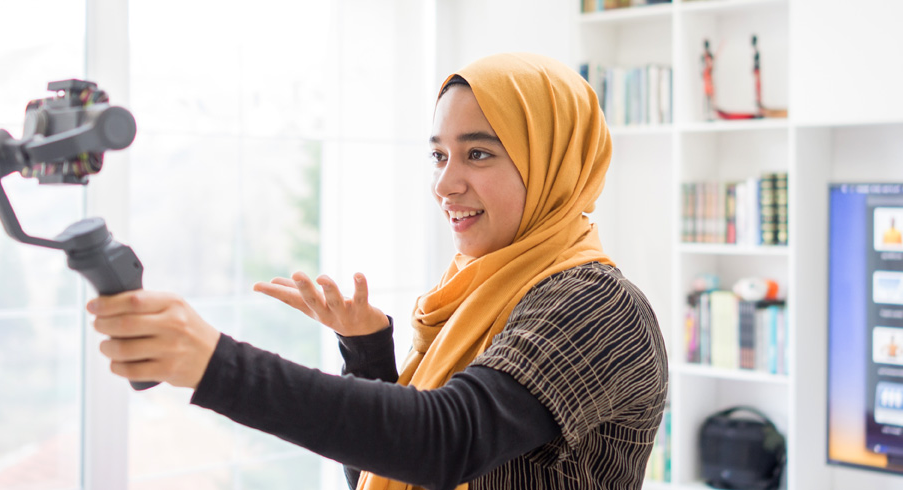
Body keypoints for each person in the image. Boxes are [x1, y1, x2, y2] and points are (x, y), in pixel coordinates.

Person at [86, 52, 668, 490]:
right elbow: (387, 470)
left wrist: (215, 364)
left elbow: (445, 442)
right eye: (438, 154)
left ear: (555, 162)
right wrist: (366, 352)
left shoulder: (596, 306)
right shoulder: (479, 294)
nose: (445, 183)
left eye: (479, 153)